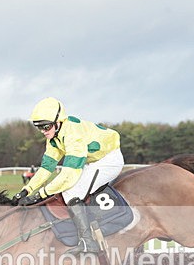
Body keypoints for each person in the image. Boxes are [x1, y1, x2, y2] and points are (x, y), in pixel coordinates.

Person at [12, 97, 124, 254]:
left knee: (71, 192)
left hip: (108, 160)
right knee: (68, 189)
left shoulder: (73, 135)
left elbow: (69, 175)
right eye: (39, 127)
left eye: (46, 126)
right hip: (92, 161)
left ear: (58, 121)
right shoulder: (54, 137)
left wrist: (40, 194)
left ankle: (88, 242)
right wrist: (26, 190)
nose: (43, 131)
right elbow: (46, 168)